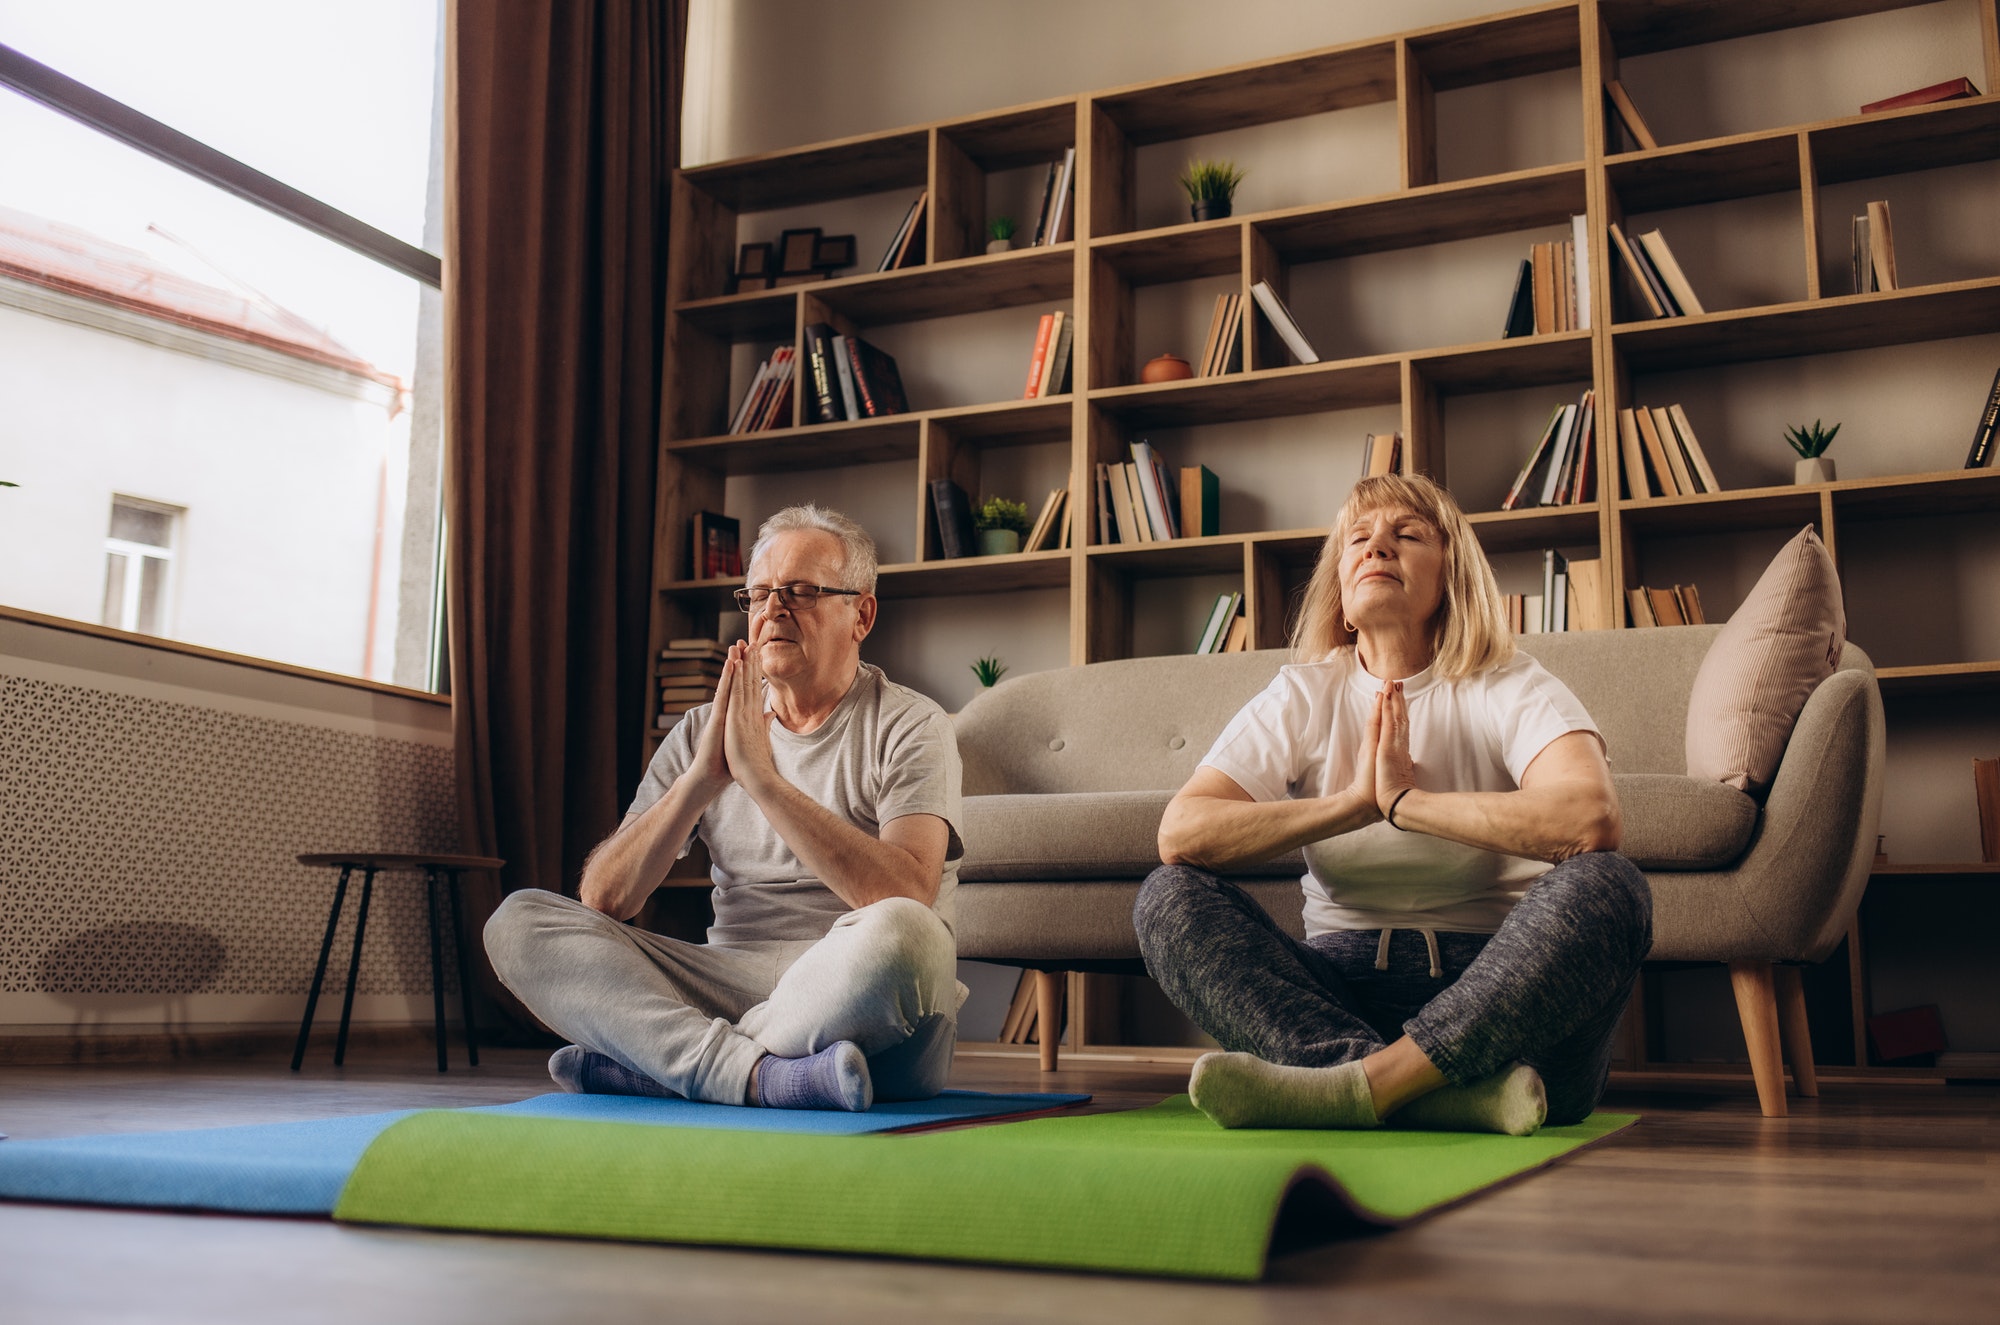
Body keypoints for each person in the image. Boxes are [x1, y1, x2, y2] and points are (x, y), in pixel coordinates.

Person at [1136, 473, 1651, 1135]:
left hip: (1510, 1010)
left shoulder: (1509, 681)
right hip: (1337, 999)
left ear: (1452, 577)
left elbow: (1590, 818)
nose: (1377, 546)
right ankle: (1440, 1094)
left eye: (1406, 535)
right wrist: (1355, 804)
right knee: (1167, 897)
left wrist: (1407, 802)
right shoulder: (1303, 694)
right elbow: (1182, 832)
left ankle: (1364, 1087)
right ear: (1344, 597)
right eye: (1359, 538)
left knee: (1613, 886)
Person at [485, 505, 964, 1112]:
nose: (773, 610)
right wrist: (702, 780)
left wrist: (762, 780)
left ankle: (667, 1066)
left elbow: (909, 889)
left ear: (860, 614)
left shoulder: (912, 724)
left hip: (862, 998)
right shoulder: (701, 732)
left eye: (802, 592)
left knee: (908, 932)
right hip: (726, 982)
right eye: (760, 593)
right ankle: (763, 1077)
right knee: (518, 921)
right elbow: (605, 900)